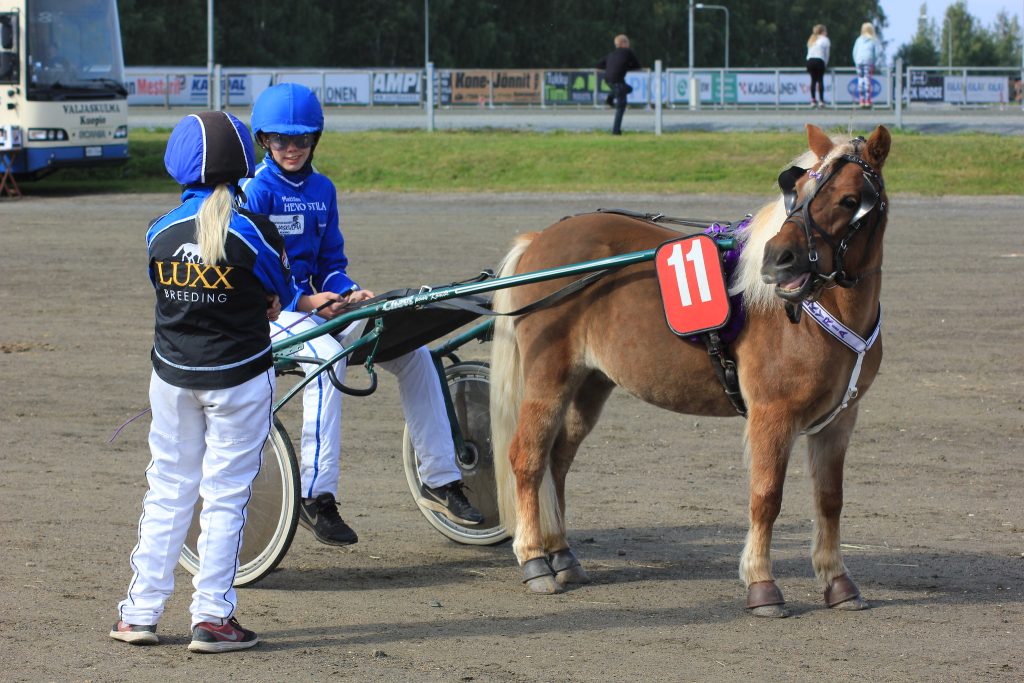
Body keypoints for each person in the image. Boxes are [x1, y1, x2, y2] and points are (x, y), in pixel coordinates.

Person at [110, 111, 340, 653]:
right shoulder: (253, 230)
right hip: (239, 378)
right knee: (225, 496)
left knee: (167, 491)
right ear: (242, 163)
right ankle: (212, 617)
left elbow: (162, 287)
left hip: (170, 378)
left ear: (177, 165)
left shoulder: (158, 230)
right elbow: (279, 297)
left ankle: (138, 613)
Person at [240, 82, 484, 547]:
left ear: (315, 139)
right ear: (264, 140)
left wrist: (347, 292)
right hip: (268, 314)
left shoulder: (322, 189)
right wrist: (307, 302)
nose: (292, 148)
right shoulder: (255, 190)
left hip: (314, 312)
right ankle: (317, 496)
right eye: (281, 140)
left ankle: (441, 478)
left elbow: (331, 264)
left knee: (414, 351)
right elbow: (256, 267)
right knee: (329, 356)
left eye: (302, 139)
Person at [597, 34, 641, 135]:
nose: (629, 44)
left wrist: (610, 67)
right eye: (628, 42)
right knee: (621, 106)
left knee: (628, 89)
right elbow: (637, 65)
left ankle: (610, 96)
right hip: (617, 81)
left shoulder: (611, 54)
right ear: (623, 43)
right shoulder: (628, 52)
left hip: (608, 80)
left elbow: (599, 64)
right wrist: (626, 66)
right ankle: (615, 131)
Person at [852, 22, 885, 108]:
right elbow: (879, 52)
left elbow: (854, 52)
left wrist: (856, 62)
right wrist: (876, 63)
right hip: (868, 61)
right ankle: (867, 100)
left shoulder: (858, 40)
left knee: (860, 80)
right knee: (867, 80)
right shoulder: (873, 40)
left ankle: (861, 100)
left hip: (859, 61)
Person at [805, 24, 830, 108]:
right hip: (819, 60)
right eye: (825, 31)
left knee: (813, 80)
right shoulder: (825, 40)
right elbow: (826, 54)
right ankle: (821, 101)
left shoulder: (812, 39)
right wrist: (825, 63)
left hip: (810, 61)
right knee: (820, 80)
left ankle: (813, 100)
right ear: (822, 32)